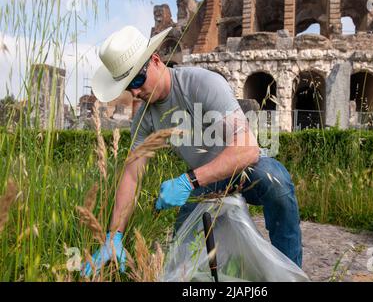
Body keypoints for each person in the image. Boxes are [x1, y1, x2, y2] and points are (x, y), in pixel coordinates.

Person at [83, 25, 303, 277]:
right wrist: (114, 236)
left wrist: (189, 181)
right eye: (127, 86)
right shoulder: (144, 117)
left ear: (155, 61)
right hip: (202, 182)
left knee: (278, 183)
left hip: (243, 169)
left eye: (137, 80)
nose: (134, 92)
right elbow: (132, 175)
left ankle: (291, 274)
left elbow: (247, 149)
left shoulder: (200, 84)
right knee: (181, 252)